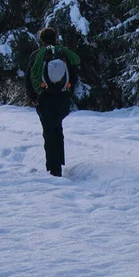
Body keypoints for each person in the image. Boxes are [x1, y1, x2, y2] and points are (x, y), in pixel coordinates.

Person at [26, 27, 80, 176]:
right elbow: (74, 76)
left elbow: (29, 79)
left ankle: (53, 168)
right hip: (62, 98)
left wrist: (33, 97)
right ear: (56, 37)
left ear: (41, 39)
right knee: (58, 129)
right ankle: (59, 165)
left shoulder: (37, 55)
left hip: (45, 98)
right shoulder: (64, 54)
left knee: (49, 133)